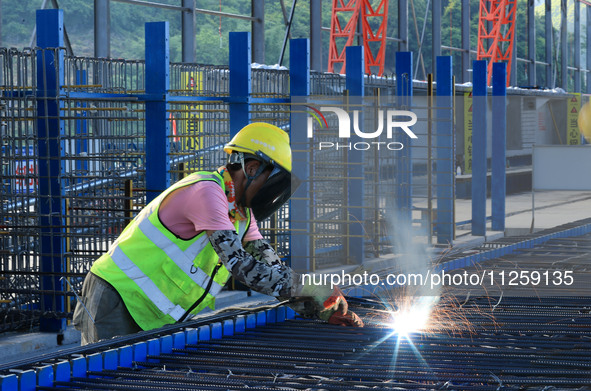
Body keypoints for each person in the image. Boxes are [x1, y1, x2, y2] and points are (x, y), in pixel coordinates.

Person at [73, 122, 363, 345]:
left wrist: (318, 305)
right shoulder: (208, 192)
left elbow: (271, 267)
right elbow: (242, 266)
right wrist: (308, 285)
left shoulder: (242, 213)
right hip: (116, 296)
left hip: (152, 311)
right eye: (271, 182)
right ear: (251, 167)